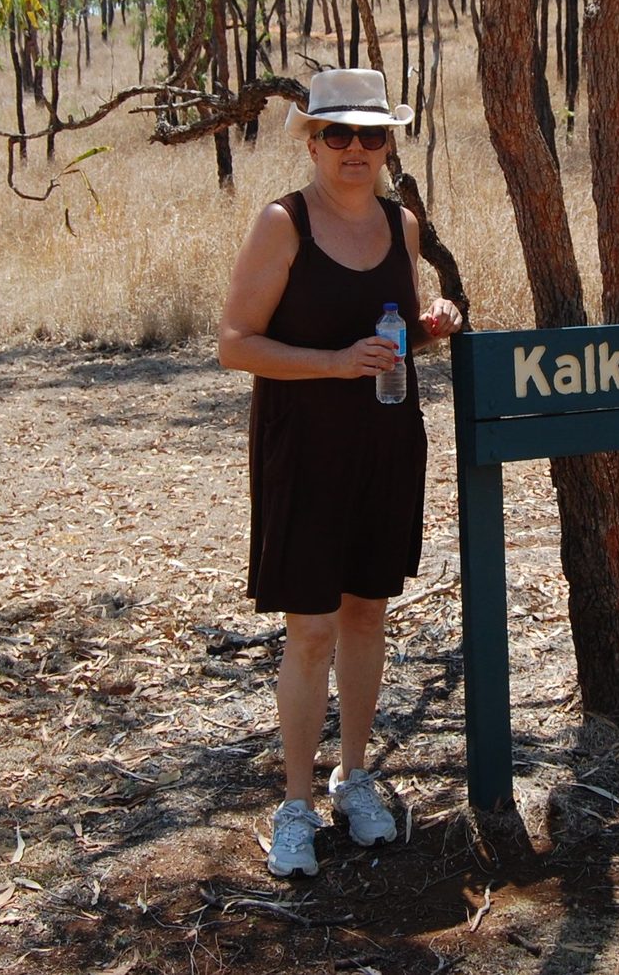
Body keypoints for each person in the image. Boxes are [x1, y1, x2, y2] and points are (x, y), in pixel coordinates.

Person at [216, 67, 463, 879]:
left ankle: (355, 777)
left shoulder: (404, 226)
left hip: (386, 444)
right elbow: (235, 344)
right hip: (304, 449)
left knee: (366, 616)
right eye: (339, 135)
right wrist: (332, 362)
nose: (356, 150)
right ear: (312, 141)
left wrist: (433, 326)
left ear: (390, 142)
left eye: (371, 135)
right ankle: (294, 805)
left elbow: (390, 340)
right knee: (312, 626)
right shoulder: (281, 224)